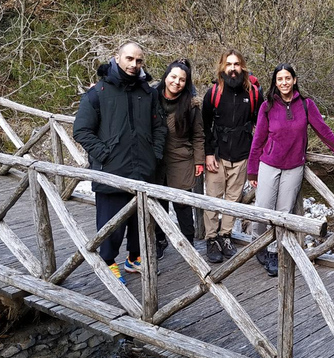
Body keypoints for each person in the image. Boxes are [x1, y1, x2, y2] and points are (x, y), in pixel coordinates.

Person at [247, 63, 334, 276]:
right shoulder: (267, 106)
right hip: (269, 164)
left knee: (283, 213)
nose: (284, 83)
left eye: (287, 78)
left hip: (294, 167)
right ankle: (258, 244)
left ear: (294, 80)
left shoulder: (306, 105)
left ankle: (273, 251)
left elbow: (323, 130)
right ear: (275, 82)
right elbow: (258, 140)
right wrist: (252, 170)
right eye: (280, 79)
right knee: (263, 208)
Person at [73, 42, 167, 284]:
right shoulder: (98, 93)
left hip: (143, 169)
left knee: (140, 221)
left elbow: (159, 127)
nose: (134, 64)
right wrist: (105, 155)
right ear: (117, 58)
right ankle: (107, 262)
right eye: (129, 59)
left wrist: (154, 154)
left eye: (139, 61)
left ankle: (134, 258)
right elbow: (82, 130)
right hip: (111, 172)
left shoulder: (147, 93)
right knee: (111, 224)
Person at [203, 49, 261, 263]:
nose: (233, 68)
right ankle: (211, 239)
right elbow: (205, 127)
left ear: (242, 67)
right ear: (222, 67)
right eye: (229, 64)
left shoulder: (253, 93)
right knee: (212, 200)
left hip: (242, 154)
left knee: (233, 200)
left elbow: (261, 125)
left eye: (236, 64)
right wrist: (208, 153)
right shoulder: (213, 93)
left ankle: (225, 235)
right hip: (217, 155)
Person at [153, 59, 205, 260]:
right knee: (158, 202)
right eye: (173, 77)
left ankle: (188, 243)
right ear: (166, 76)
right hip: (156, 159)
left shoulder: (191, 105)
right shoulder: (152, 97)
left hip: (181, 159)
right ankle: (159, 240)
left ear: (187, 82)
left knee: (183, 204)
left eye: (182, 80)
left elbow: (198, 135)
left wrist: (199, 161)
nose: (177, 82)